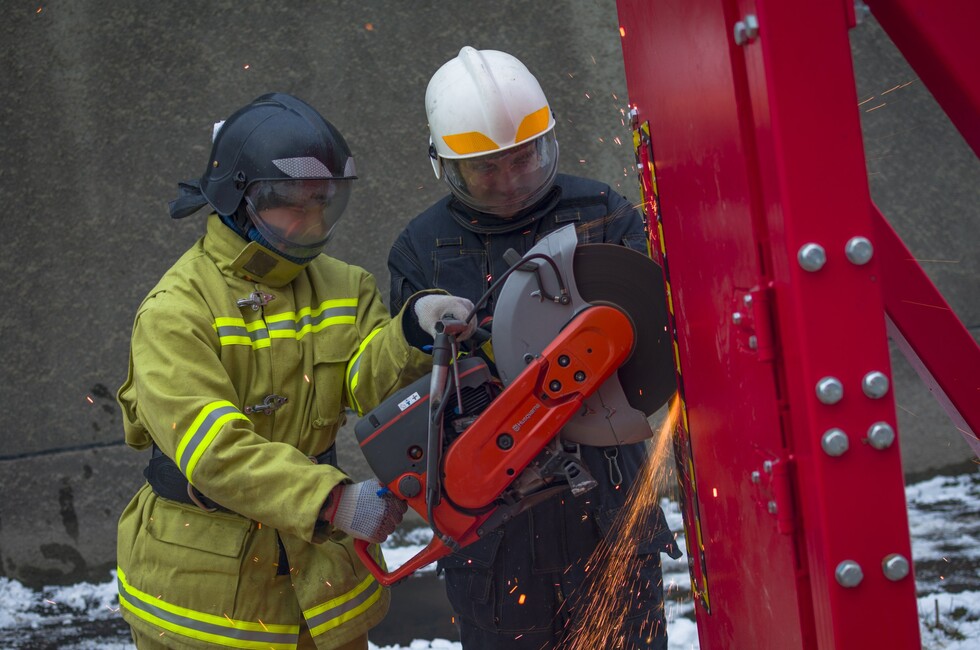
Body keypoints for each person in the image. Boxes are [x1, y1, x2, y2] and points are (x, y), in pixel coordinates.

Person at [116, 92, 474, 650]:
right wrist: (332, 502)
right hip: (207, 597)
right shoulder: (175, 309)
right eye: (295, 204)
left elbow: (364, 388)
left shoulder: (343, 284)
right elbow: (213, 451)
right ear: (241, 200)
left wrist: (408, 334)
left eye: (324, 202)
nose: (313, 220)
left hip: (319, 585)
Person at [387, 48, 681, 649]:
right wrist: (427, 330)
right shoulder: (421, 245)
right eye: (486, 170)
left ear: (547, 142)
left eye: (523, 159)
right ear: (447, 166)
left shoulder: (601, 210)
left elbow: (656, 340)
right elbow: (412, 387)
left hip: (609, 502)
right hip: (496, 527)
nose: (510, 181)